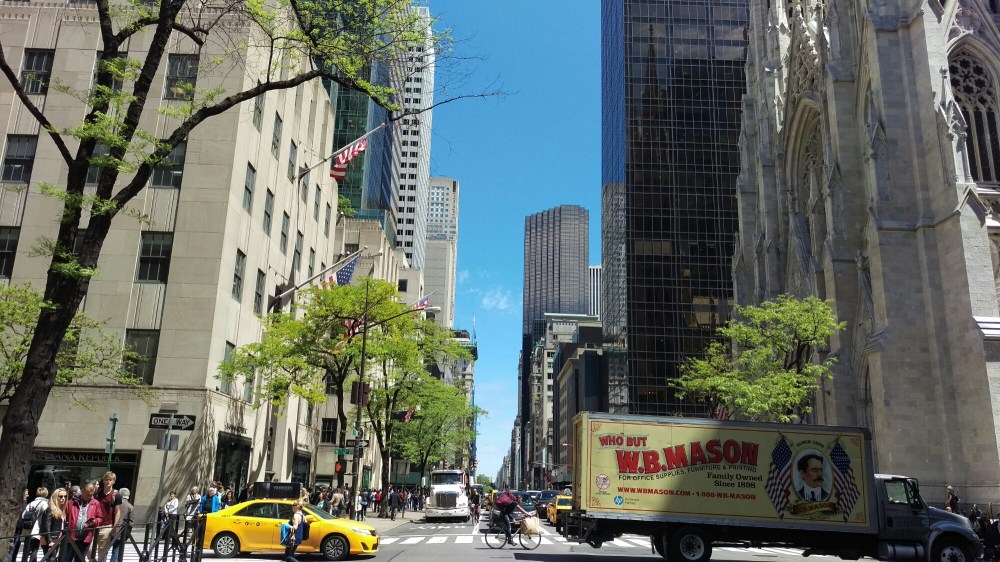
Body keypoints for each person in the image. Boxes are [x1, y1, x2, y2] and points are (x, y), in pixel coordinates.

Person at [64, 481, 103, 562]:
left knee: (80, 559)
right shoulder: (71, 502)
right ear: (82, 491)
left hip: (85, 537)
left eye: (91, 494)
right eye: (87, 494)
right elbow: (65, 516)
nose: (89, 496)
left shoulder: (95, 503)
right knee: (67, 559)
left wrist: (94, 521)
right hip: (71, 537)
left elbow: (100, 518)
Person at [94, 472, 121, 562]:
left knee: (102, 550)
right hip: (95, 524)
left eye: (110, 480)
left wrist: (114, 527)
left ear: (113, 481)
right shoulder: (98, 493)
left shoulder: (116, 495)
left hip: (107, 525)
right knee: (89, 548)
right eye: (106, 479)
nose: (108, 481)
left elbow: (118, 512)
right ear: (103, 481)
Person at [22, 487, 50, 562]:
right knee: (34, 549)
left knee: (27, 550)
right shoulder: (45, 504)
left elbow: (23, 515)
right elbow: (45, 518)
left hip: (28, 529)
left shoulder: (30, 503)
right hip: (37, 529)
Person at [39, 488, 68, 560]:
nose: (63, 498)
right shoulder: (50, 509)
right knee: (51, 559)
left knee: (53, 558)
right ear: (55, 497)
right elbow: (47, 526)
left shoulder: (62, 510)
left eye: (65, 496)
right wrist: (50, 541)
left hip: (57, 539)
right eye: (60, 496)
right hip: (50, 539)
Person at [109, 489, 133, 562]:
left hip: (109, 528)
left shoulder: (114, 503)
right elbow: (131, 523)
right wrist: (127, 535)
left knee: (104, 550)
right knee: (116, 551)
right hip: (120, 531)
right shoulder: (130, 507)